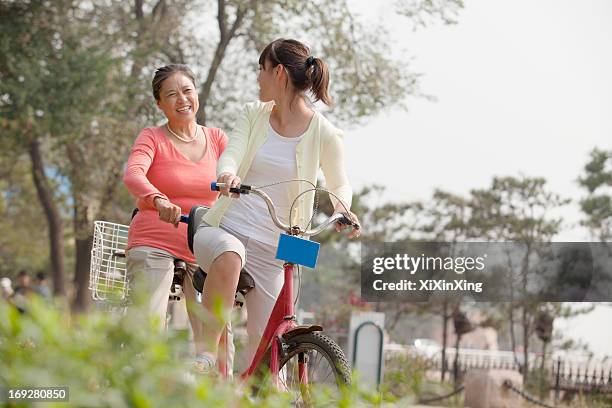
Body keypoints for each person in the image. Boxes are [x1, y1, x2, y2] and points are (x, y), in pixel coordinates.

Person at [193, 39, 361, 373]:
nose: (258, 78)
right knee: (229, 253)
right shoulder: (253, 115)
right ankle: (205, 356)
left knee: (268, 352)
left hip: (277, 248)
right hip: (225, 229)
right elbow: (233, 152)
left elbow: (339, 182)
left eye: (261, 69)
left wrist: (344, 209)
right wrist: (226, 174)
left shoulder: (324, 133)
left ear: (279, 72)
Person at [123, 64, 228, 370]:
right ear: (159, 103)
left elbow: (235, 174)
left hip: (200, 240)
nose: (182, 99)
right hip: (155, 237)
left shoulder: (217, 138)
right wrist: (157, 199)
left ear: (196, 94)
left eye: (187, 91)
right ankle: (142, 385)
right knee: (150, 317)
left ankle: (220, 392)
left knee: (217, 327)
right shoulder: (152, 137)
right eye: (171, 94)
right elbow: (133, 174)